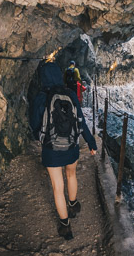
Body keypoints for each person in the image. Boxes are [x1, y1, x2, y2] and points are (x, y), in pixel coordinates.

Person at [30, 62, 97, 240]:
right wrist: (91, 142)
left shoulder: (40, 98)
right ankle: (73, 205)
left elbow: (34, 125)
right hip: (71, 146)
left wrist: (43, 138)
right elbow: (81, 121)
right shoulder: (69, 94)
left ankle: (65, 226)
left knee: (57, 188)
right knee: (71, 175)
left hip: (51, 150)